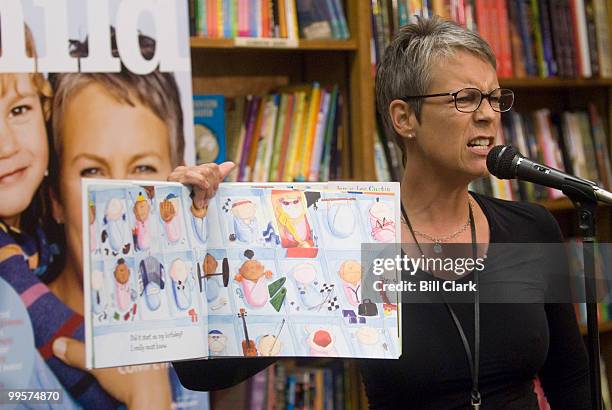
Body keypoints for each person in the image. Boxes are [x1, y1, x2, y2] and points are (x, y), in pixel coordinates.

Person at [173, 17, 591, 409]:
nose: (487, 114)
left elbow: (572, 382)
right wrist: (187, 232)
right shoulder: (349, 245)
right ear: (404, 118)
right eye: (466, 98)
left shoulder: (531, 229)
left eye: (494, 99)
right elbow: (203, 372)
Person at [41, 31, 232, 409]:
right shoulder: (17, 331)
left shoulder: (194, 332)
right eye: (93, 171)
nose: (122, 205)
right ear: (56, 200)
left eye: (143, 167)